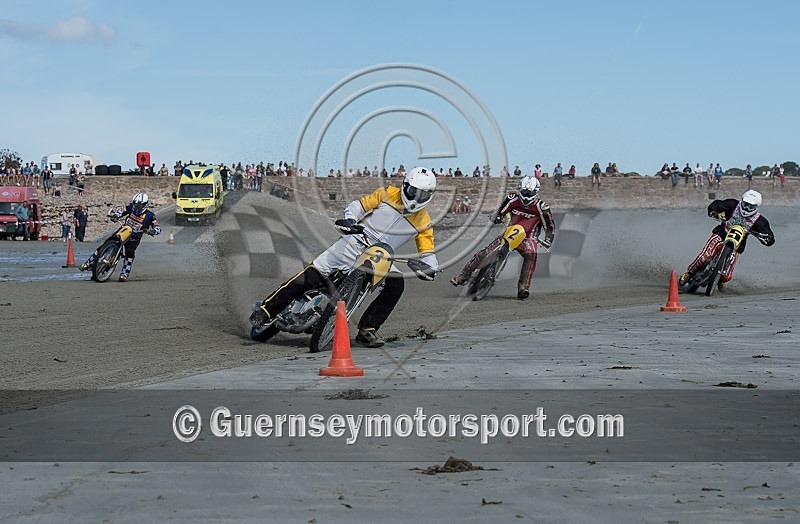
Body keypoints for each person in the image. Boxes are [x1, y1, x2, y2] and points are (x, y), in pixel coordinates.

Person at [250, 167, 439, 348]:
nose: (417, 198)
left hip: (383, 256)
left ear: (429, 195)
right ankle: (266, 311)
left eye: (423, 194)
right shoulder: (387, 193)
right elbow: (359, 206)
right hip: (356, 240)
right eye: (414, 191)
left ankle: (368, 330)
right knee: (313, 274)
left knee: (396, 284)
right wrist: (350, 220)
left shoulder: (424, 221)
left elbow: (428, 250)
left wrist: (430, 267)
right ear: (405, 185)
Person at [450, 176, 556, 300]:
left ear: (536, 192)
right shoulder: (512, 199)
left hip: (529, 237)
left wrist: (548, 239)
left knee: (531, 256)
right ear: (519, 190)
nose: (526, 195)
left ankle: (523, 287)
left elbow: (549, 225)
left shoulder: (541, 207)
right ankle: (463, 276)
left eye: (530, 193)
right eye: (524, 192)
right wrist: (497, 217)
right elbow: (501, 211)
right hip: (510, 232)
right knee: (485, 252)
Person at [679, 190, 775, 291]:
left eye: (751, 207)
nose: (747, 208)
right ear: (741, 201)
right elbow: (715, 205)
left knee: (727, 276)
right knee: (704, 256)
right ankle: (689, 273)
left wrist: (766, 238)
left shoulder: (760, 221)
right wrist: (714, 213)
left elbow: (770, 237)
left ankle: (720, 280)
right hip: (721, 233)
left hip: (738, 244)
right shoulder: (732, 204)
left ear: (756, 207)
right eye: (746, 205)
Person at [79, 193, 161, 281]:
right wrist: (116, 216)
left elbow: (157, 227)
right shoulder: (131, 207)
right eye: (135, 204)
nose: (136, 207)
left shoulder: (150, 216)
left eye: (139, 205)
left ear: (145, 205)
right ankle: (88, 263)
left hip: (134, 237)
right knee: (105, 245)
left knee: (130, 252)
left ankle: (124, 273)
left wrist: (153, 231)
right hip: (123, 231)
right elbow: (122, 211)